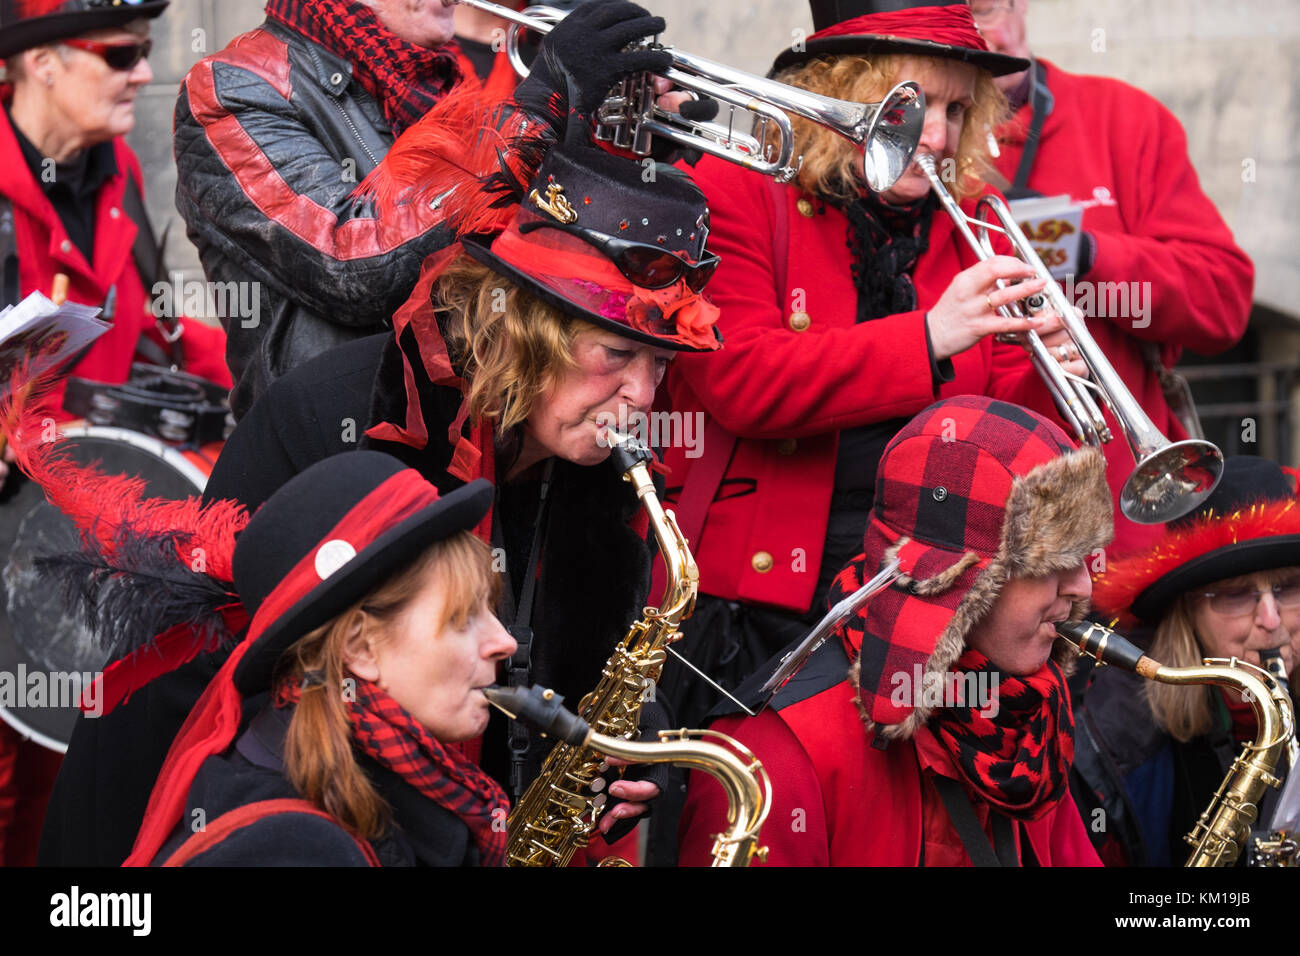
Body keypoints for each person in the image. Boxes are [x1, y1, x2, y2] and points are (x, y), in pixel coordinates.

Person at [39, 121, 723, 865]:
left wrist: (612, 744)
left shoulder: (593, 458)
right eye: (618, 353)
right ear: (525, 329)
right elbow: (214, 677)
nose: (643, 395)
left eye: (661, 364)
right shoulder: (346, 412)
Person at [649, 0, 1086, 863]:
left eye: (960, 112)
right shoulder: (736, 193)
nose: (939, 135)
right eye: (916, 106)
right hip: (760, 602)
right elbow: (738, 381)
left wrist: (1051, 366)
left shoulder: (977, 224)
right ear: (846, 97)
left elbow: (1000, 438)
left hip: (924, 591)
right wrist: (926, 338)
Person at [174, 0, 680, 419]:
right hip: (333, 447)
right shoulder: (233, 89)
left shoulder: (444, 82)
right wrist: (532, 114)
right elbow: (352, 265)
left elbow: (518, 251)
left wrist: (617, 153)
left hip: (469, 432)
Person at [677, 394, 1113, 866]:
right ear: (956, 578)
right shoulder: (769, 756)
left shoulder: (1025, 706)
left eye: (1085, 557)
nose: (1082, 587)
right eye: (1053, 563)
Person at [0, 0, 230, 868]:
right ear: (42, 62)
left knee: (76, 802)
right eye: (121, 53)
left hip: (87, 562)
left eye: (146, 51)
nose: (144, 71)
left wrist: (251, 386)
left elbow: (165, 335)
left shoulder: (118, 174)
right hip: (11, 548)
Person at [972, 0, 1254, 555]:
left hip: (1126, 519)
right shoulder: (912, 151)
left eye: (985, 8)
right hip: (981, 523)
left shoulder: (1125, 118)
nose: (976, 33)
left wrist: (1085, 249)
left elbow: (1224, 303)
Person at [1074, 456, 1298, 866]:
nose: (1271, 620)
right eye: (1235, 594)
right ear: (1187, 613)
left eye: (1288, 588)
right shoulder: (1121, 734)